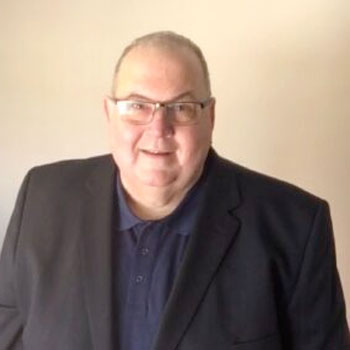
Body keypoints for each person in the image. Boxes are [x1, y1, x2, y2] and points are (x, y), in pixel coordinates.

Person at [0, 31, 349, 350]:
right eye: (137, 105)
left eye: (181, 108)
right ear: (109, 113)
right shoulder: (41, 198)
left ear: (210, 117)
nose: (158, 129)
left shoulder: (296, 226)